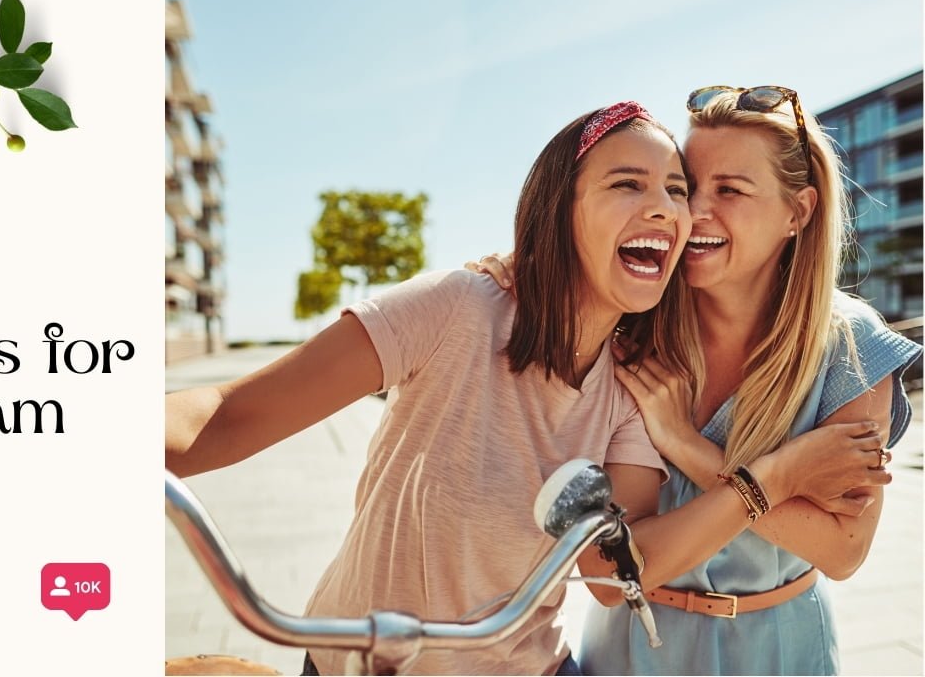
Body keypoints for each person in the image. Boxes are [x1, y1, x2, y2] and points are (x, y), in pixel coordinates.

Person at [167, 102, 889, 676]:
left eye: (677, 189)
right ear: (561, 208)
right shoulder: (461, 307)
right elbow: (225, 417)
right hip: (364, 658)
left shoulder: (635, 377)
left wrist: (734, 471)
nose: (677, 210)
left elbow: (616, 559)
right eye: (628, 183)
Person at [470, 86, 921, 675]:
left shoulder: (852, 347)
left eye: (730, 190)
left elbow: (844, 550)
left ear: (799, 212)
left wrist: (689, 447)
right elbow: (610, 569)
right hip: (630, 647)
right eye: (688, 185)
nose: (693, 212)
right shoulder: (631, 326)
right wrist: (519, 272)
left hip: (783, 652)